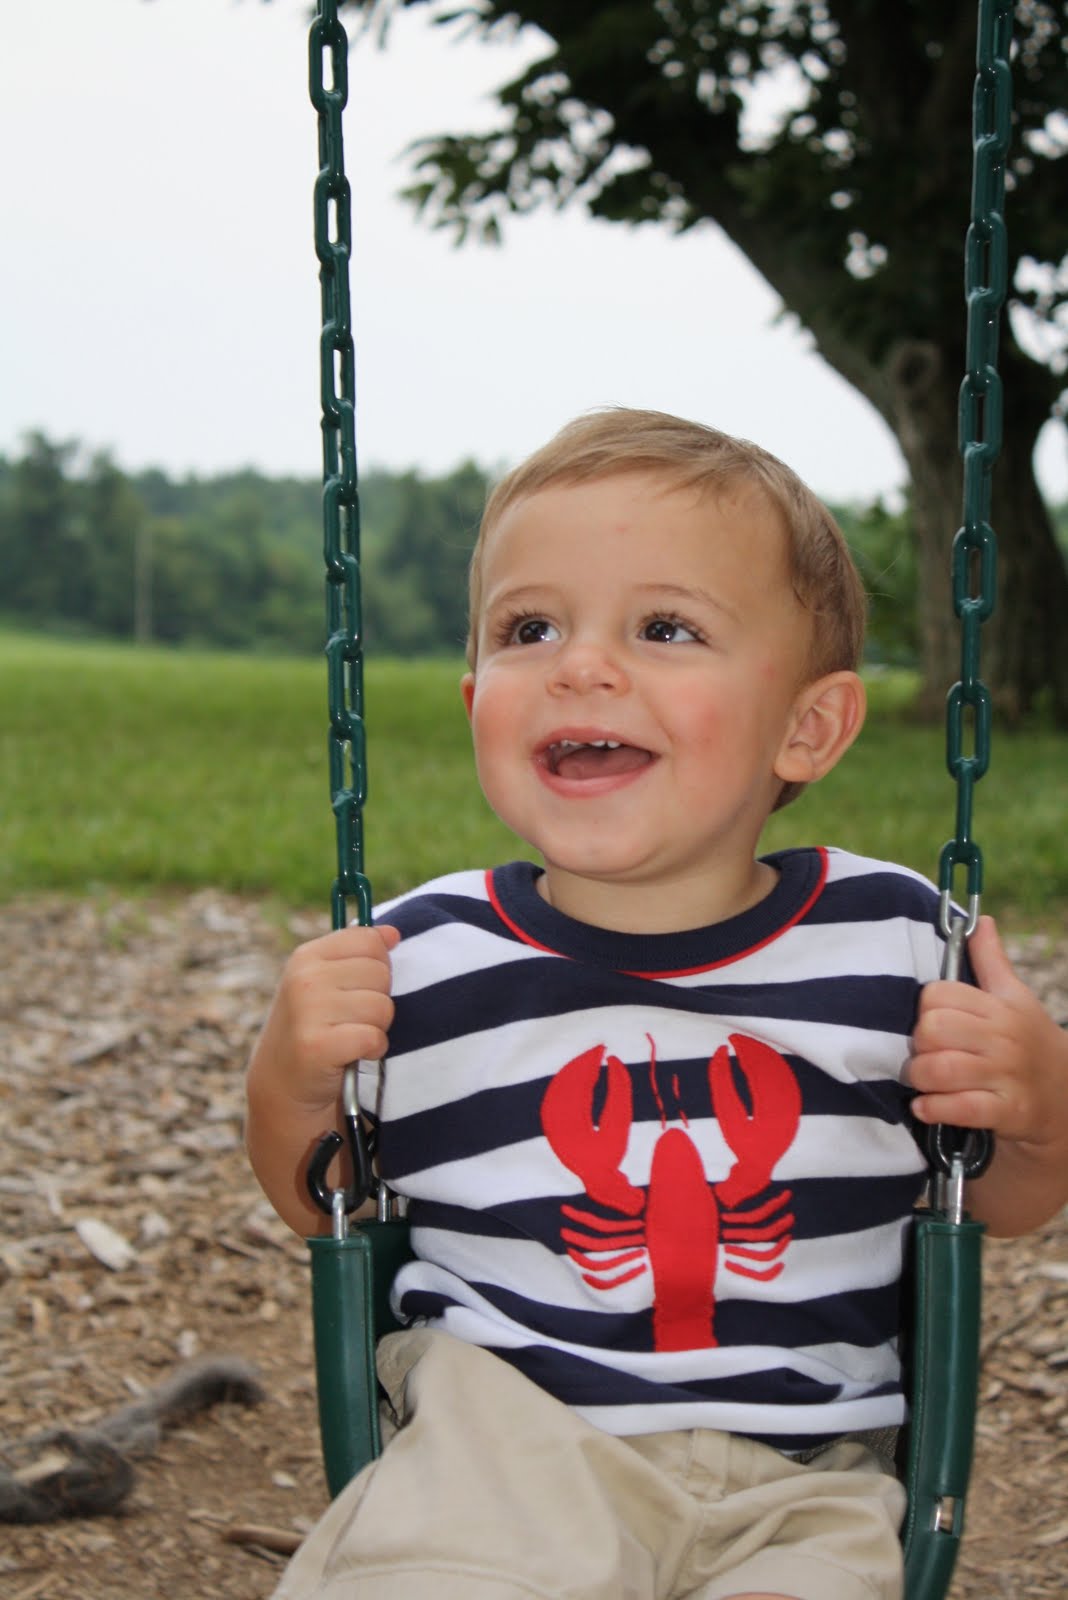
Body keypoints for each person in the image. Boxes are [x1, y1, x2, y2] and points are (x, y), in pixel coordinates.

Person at [246, 409, 1068, 1600]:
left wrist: (1038, 1102)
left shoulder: (896, 943)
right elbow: (319, 1200)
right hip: (502, 1458)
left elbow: (1005, 1197)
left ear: (809, 727)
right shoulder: (421, 958)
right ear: (477, 697)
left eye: (665, 628)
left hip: (807, 1482)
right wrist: (290, 1074)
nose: (580, 666)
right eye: (530, 628)